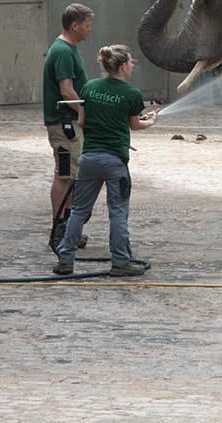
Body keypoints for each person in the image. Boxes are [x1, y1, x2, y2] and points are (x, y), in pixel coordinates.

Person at [53, 45, 158, 277]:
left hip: (89, 158)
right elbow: (135, 124)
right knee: (118, 212)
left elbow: (81, 122)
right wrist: (150, 121)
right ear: (122, 66)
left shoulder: (89, 88)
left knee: (79, 210)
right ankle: (120, 262)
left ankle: (65, 260)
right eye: (131, 63)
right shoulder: (132, 94)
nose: (132, 66)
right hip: (114, 162)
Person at [43, 3, 94, 251]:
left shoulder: (67, 48)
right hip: (65, 125)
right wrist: (87, 111)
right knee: (64, 175)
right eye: (87, 24)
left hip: (70, 124)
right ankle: (58, 230)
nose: (89, 29)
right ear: (75, 25)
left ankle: (68, 228)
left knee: (72, 174)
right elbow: (66, 90)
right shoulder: (63, 51)